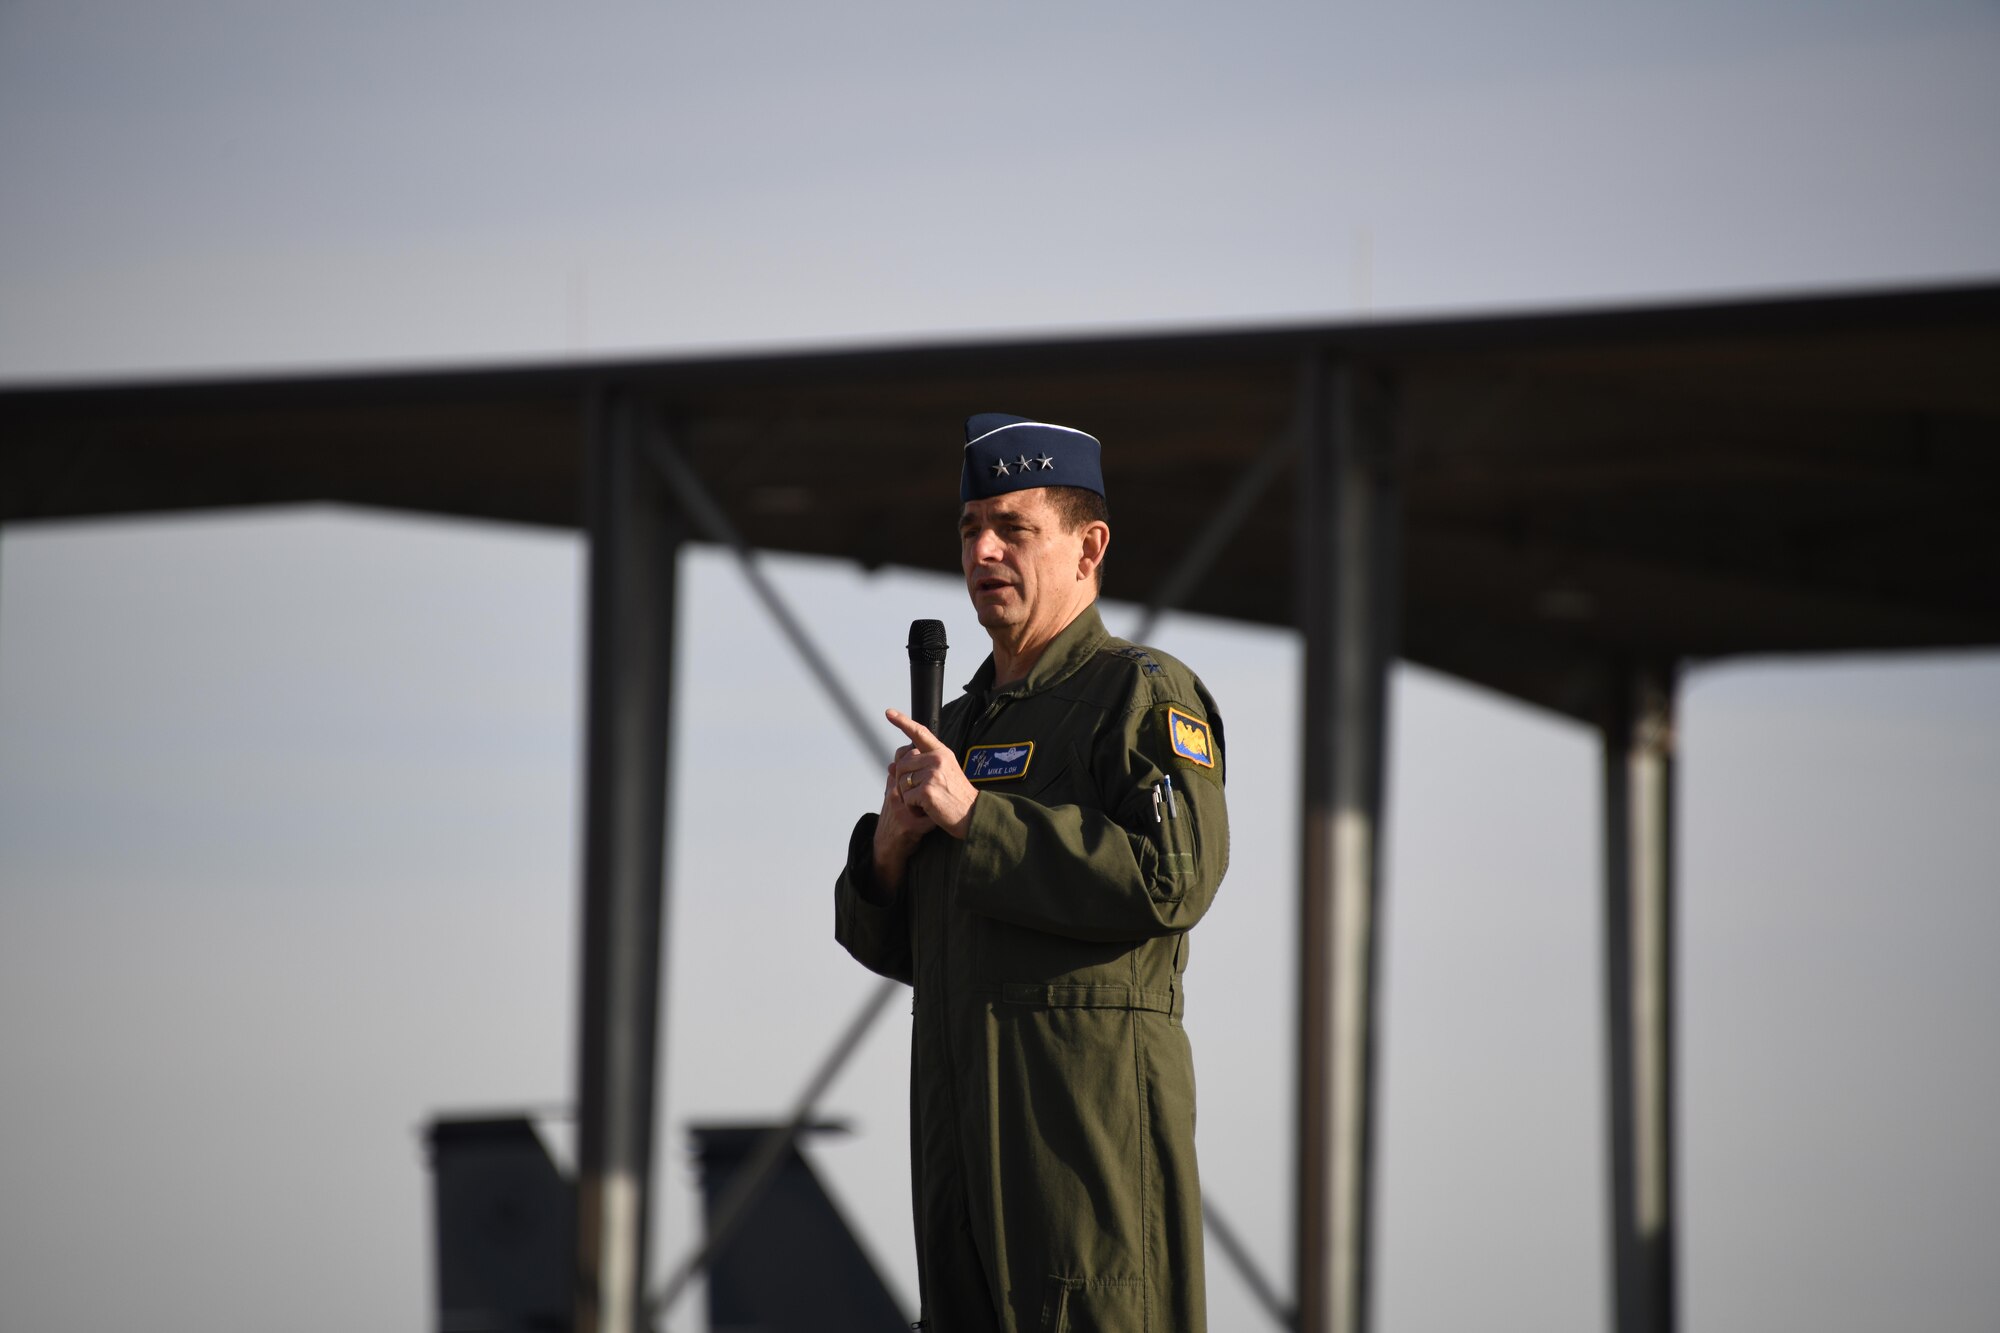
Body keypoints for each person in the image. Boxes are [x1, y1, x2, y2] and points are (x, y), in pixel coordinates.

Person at [835, 413, 1230, 1333]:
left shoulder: (1140, 694)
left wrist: (979, 818)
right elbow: (913, 940)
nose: (983, 550)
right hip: (959, 1160)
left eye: (1014, 528)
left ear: (1089, 546)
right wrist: (890, 852)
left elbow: (1176, 878)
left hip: (1083, 1159)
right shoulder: (963, 725)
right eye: (971, 529)